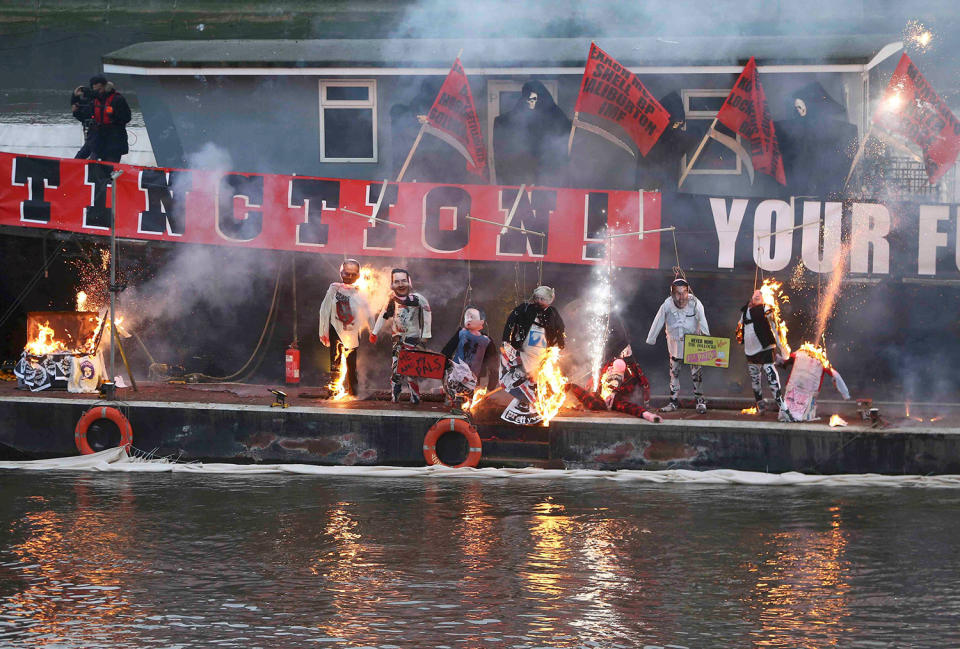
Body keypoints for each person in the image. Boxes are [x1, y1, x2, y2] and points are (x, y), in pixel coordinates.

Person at [499, 285, 566, 424]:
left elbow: (560, 329)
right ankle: (523, 402)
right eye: (538, 298)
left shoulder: (553, 313)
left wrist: (560, 344)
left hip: (542, 351)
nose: (539, 301)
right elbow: (511, 320)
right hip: (525, 349)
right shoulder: (525, 309)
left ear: (550, 300)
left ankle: (533, 404)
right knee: (525, 374)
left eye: (543, 299)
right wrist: (506, 339)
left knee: (537, 377)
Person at [646, 278, 710, 413]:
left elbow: (702, 320)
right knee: (674, 373)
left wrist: (707, 338)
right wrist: (651, 338)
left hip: (693, 344)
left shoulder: (695, 303)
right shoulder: (667, 305)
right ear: (672, 293)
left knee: (696, 374)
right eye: (677, 293)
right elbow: (658, 321)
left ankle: (700, 401)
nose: (681, 297)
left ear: (687, 292)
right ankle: (673, 401)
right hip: (675, 345)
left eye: (683, 293)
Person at [370, 268, 432, 404]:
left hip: (413, 340)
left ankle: (415, 398)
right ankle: (395, 398)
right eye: (397, 281)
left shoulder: (419, 299)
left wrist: (425, 336)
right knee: (396, 372)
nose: (400, 284)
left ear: (409, 281)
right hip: (397, 341)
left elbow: (427, 317)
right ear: (392, 284)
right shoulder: (391, 299)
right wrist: (375, 332)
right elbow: (383, 315)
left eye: (403, 280)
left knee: (411, 373)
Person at [318, 259, 372, 397]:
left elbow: (367, 311)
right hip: (336, 328)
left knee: (351, 363)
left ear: (358, 275)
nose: (349, 277)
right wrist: (323, 331)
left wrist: (373, 330)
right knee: (335, 361)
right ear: (341, 272)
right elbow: (324, 310)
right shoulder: (334, 288)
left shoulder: (360, 291)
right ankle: (334, 388)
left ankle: (354, 392)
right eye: (346, 273)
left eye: (353, 274)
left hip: (353, 331)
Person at [737, 289, 789, 413]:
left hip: (765, 347)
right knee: (755, 378)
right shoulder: (745, 311)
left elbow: (775, 329)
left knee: (770, 374)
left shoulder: (766, 308)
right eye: (755, 293)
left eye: (759, 294)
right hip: (750, 349)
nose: (757, 294)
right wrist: (740, 337)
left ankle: (782, 406)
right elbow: (739, 328)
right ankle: (759, 403)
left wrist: (782, 348)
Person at [566, 356, 662, 422]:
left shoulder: (614, 400)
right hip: (600, 393)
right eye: (610, 370)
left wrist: (648, 415)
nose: (610, 371)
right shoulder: (605, 373)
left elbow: (631, 408)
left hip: (606, 398)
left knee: (595, 404)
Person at [440, 306, 498, 408]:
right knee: (459, 399)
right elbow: (447, 351)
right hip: (459, 374)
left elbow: (493, 362)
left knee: (462, 400)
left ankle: (459, 410)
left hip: (469, 377)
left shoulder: (484, 340)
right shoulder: (464, 334)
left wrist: (492, 381)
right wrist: (492, 384)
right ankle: (458, 409)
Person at [777, 346, 851, 422]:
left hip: (794, 388)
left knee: (788, 411)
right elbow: (836, 375)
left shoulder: (799, 353)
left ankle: (787, 416)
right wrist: (845, 394)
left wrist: (775, 358)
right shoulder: (822, 360)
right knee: (803, 414)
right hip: (808, 391)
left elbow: (784, 361)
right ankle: (800, 417)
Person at [89, 75, 131, 163]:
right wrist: (75, 99)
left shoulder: (118, 99)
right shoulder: (94, 100)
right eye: (95, 90)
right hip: (98, 140)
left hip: (114, 140)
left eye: (99, 89)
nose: (98, 92)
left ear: (105, 87)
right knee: (92, 163)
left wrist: (113, 115)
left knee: (110, 165)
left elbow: (127, 118)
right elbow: (84, 115)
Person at [70, 83, 96, 159]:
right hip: (89, 129)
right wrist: (75, 96)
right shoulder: (85, 103)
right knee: (88, 148)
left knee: (90, 149)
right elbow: (76, 111)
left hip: (96, 132)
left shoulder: (97, 102)